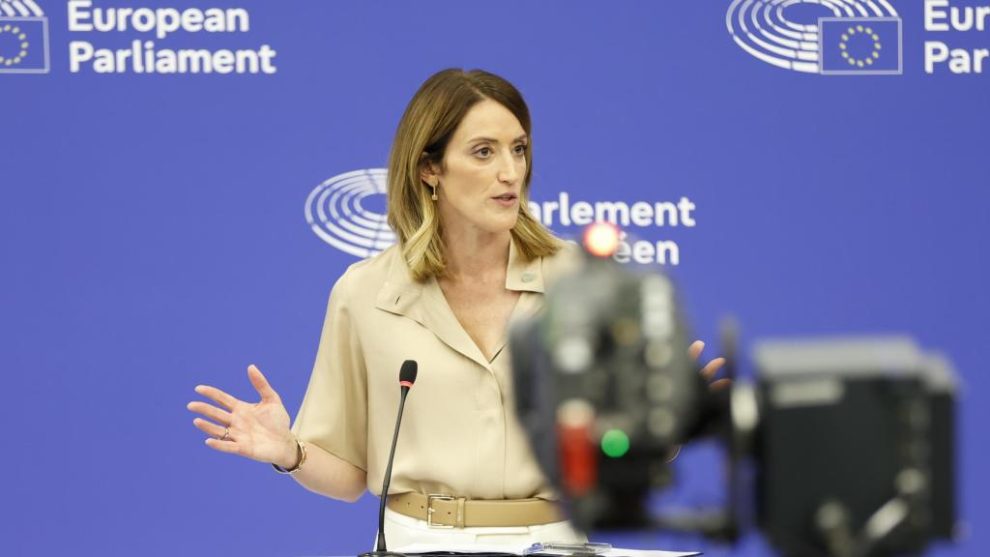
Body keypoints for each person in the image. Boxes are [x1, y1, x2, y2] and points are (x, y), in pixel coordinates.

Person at [186, 68, 727, 550]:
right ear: (430, 169)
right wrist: (289, 451)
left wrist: (665, 424)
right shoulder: (365, 292)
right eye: (484, 152)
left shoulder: (585, 281)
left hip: (556, 542)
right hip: (418, 542)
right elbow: (349, 473)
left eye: (519, 149)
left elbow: (618, 452)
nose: (511, 172)